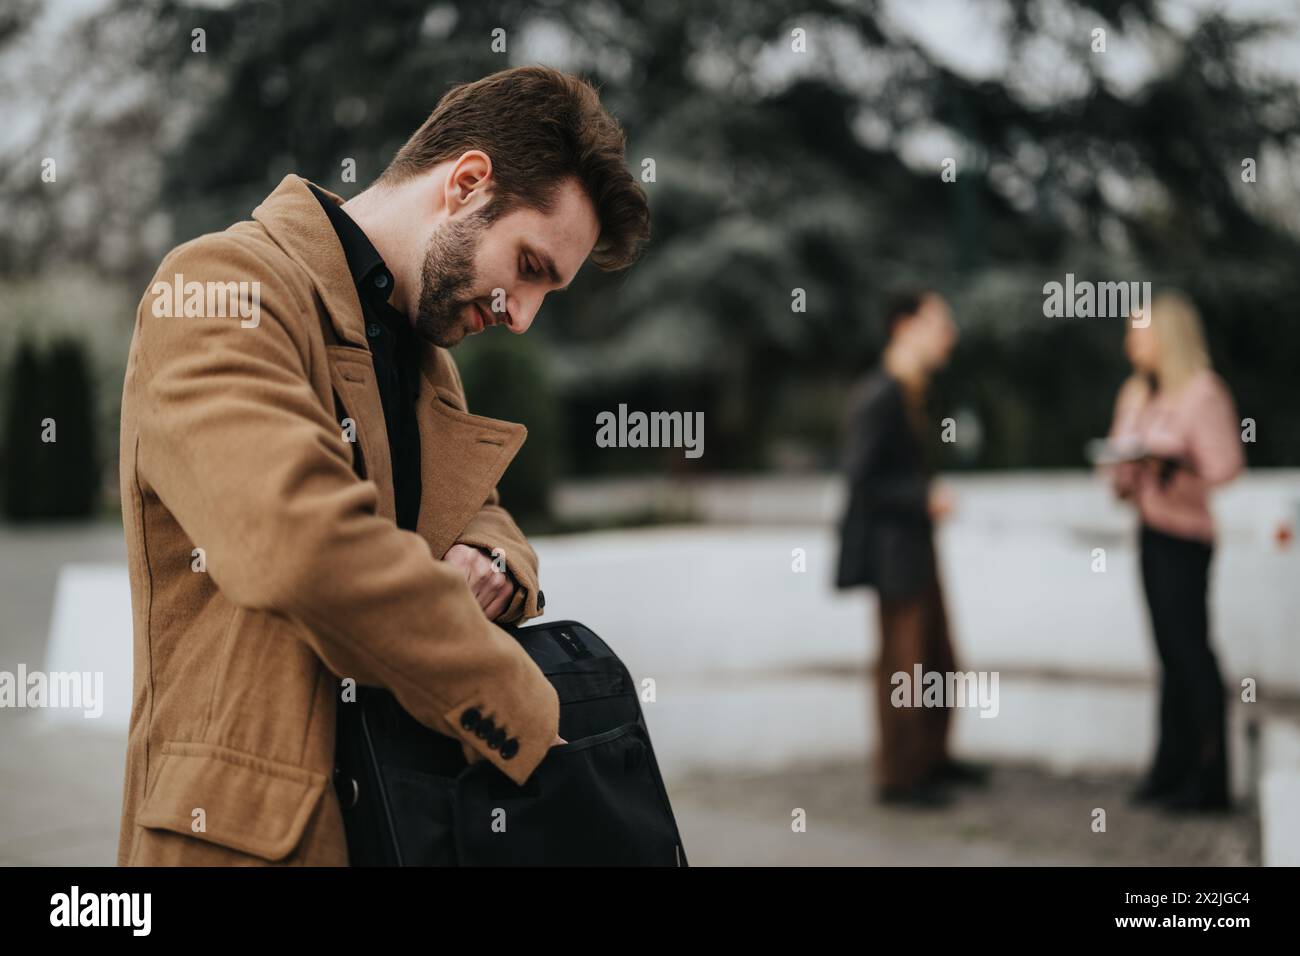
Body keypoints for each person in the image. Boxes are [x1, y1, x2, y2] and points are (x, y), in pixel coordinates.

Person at [116, 66, 650, 865]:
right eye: (530, 268)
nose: (524, 317)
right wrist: (523, 710)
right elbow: (298, 543)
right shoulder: (219, 288)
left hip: (411, 825)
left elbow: (481, 510)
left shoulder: (429, 354)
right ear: (467, 183)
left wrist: (495, 560)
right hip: (250, 839)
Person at [835, 290, 982, 807]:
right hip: (894, 556)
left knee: (938, 659)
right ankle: (900, 778)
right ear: (905, 326)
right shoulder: (882, 394)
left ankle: (931, 761)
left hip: (915, 550)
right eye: (939, 323)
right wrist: (923, 498)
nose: (950, 334)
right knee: (905, 667)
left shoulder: (912, 390)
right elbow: (860, 480)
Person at [1106, 291, 1244, 812]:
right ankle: (1171, 766)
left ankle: (1211, 778)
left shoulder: (1203, 394)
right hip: (1150, 531)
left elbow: (1225, 466)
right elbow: (1118, 468)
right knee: (1168, 654)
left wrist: (1174, 459)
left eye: (1138, 332)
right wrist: (1126, 468)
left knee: (1191, 652)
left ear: (1166, 337)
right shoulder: (1135, 396)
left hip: (1186, 538)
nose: (1129, 343)